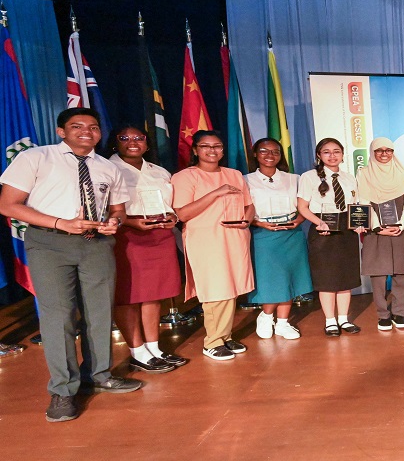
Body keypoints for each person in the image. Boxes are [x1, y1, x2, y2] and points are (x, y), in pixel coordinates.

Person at [0, 107, 142, 423]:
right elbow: (8, 204)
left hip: (96, 245)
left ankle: (100, 374)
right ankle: (63, 391)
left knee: (100, 311)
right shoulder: (37, 158)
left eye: (93, 127)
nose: (86, 132)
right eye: (76, 126)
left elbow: (117, 210)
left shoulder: (108, 168)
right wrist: (61, 222)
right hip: (50, 243)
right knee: (59, 316)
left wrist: (113, 224)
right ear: (61, 131)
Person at [108, 125, 186, 373]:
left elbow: (169, 202)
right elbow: (101, 208)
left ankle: (154, 347)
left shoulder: (159, 171)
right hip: (127, 235)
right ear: (114, 143)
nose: (132, 142)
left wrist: (172, 217)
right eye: (124, 138)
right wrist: (131, 222)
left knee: (155, 292)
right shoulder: (107, 168)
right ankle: (137, 351)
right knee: (129, 295)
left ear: (147, 144)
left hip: (160, 234)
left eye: (139, 138)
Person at [171, 130, 255, 361]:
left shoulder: (234, 174)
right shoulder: (185, 177)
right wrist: (217, 193)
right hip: (206, 240)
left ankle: (225, 336)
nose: (212, 151)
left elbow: (249, 205)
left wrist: (246, 220)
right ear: (196, 150)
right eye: (205, 146)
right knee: (216, 289)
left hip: (235, 238)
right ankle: (212, 342)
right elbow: (183, 213)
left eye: (217, 146)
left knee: (231, 288)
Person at [245, 138, 312, 340]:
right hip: (264, 234)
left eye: (275, 151)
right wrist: (259, 224)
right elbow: (243, 209)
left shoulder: (294, 178)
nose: (270, 155)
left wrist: (299, 221)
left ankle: (283, 323)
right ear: (255, 154)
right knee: (271, 279)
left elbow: (305, 206)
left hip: (291, 233)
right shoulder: (245, 179)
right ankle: (266, 317)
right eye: (264, 151)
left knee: (291, 277)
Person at [297, 138, 363, 336]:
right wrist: (319, 223)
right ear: (319, 155)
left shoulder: (349, 177)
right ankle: (330, 321)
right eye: (326, 152)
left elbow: (355, 206)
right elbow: (302, 207)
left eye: (336, 151)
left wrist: (359, 224)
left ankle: (343, 319)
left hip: (346, 230)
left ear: (343, 155)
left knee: (346, 276)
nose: (332, 155)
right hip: (322, 228)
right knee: (327, 277)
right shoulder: (309, 177)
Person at [356, 137, 404, 332]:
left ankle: (399, 312)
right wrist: (378, 226)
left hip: (400, 230)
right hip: (376, 230)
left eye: (388, 150)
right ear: (372, 152)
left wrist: (401, 224)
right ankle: (383, 315)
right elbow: (363, 201)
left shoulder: (402, 173)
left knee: (402, 273)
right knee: (378, 275)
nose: (384, 154)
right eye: (379, 150)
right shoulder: (364, 174)